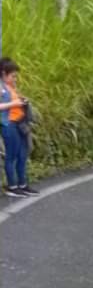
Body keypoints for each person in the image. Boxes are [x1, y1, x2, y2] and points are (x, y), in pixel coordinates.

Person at [0, 60, 38, 197]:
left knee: (22, 155)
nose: (15, 79)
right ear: (3, 74)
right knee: (12, 156)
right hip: (9, 124)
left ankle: (23, 184)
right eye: (13, 76)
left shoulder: (10, 86)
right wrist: (14, 103)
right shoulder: (1, 86)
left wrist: (21, 101)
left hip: (20, 124)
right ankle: (12, 187)